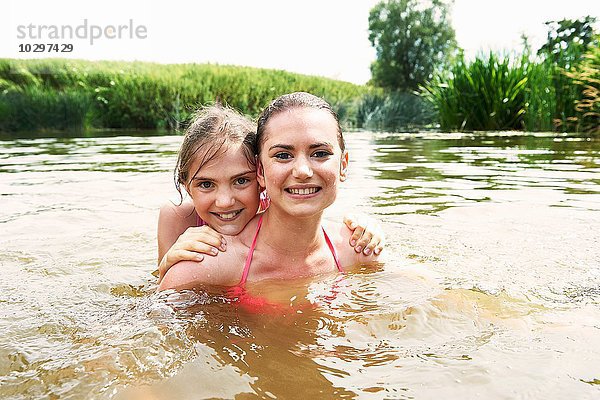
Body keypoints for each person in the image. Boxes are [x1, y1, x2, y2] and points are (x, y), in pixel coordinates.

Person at [158, 92, 381, 292]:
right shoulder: (183, 226)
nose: (225, 202)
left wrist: (365, 228)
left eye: (241, 181)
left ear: (257, 178)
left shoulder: (355, 248)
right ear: (262, 171)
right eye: (283, 155)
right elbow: (162, 292)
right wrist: (168, 264)